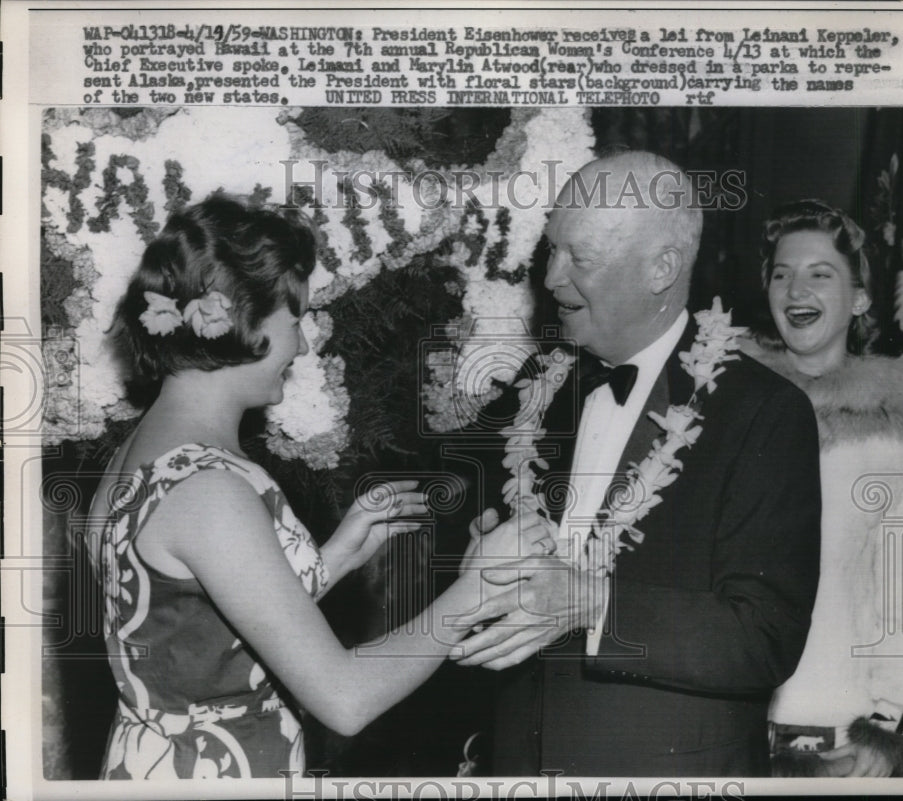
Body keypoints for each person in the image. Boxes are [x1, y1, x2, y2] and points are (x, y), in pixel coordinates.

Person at [86, 196, 547, 779]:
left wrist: (334, 559)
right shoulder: (208, 488)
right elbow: (344, 699)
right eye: (295, 319)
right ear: (242, 319)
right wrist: (474, 592)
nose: (302, 347)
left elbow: (191, 632)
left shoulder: (140, 454)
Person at [448, 152, 823, 776]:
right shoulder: (533, 386)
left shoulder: (763, 412)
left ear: (663, 268)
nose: (551, 278)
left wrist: (595, 605)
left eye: (581, 259)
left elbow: (764, 637)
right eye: (552, 250)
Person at [744, 199, 903, 777]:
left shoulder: (898, 416)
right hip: (714, 724)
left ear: (859, 298)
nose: (795, 289)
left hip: (835, 733)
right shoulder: (724, 396)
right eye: (781, 274)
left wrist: (891, 724)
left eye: (820, 274)